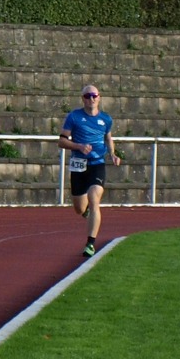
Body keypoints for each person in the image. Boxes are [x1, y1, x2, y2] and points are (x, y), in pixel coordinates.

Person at [59, 83, 121, 257]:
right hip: (79, 165)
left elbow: (108, 138)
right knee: (79, 209)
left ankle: (90, 244)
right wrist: (79, 146)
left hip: (97, 164)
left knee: (94, 198)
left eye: (94, 96)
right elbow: (62, 141)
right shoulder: (74, 117)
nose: (91, 99)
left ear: (99, 98)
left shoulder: (106, 119)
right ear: (83, 99)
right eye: (87, 96)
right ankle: (85, 210)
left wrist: (112, 154)